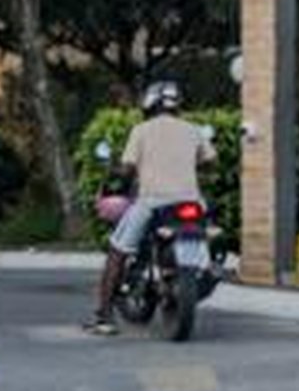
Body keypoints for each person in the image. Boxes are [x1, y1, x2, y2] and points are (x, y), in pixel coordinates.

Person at [89, 82, 210, 334]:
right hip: (190, 202)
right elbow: (209, 160)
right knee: (206, 235)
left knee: (117, 250)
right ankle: (204, 271)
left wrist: (116, 171)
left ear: (150, 103)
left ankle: (103, 316)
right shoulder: (193, 130)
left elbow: (128, 168)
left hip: (152, 201)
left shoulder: (141, 131)